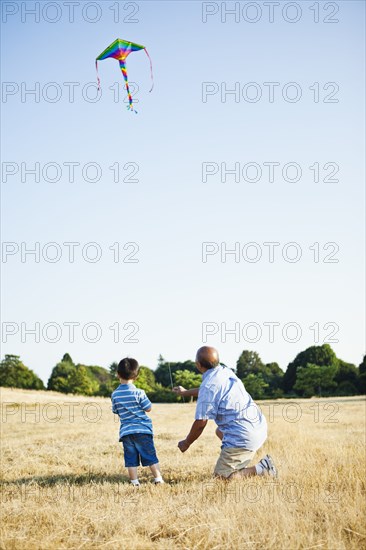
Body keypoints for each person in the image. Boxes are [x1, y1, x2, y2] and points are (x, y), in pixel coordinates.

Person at [175, 346, 277, 479]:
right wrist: (185, 392)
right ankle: (235, 456)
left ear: (198, 365)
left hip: (244, 436)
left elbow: (200, 423)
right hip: (258, 426)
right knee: (219, 431)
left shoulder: (208, 386)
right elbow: (209, 389)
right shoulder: (224, 371)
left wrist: (186, 442)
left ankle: (262, 468)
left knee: (221, 479)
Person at [111, 357, 164, 486]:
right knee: (150, 455)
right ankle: (158, 479)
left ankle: (134, 482)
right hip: (142, 430)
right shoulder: (139, 392)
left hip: (126, 432)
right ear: (136, 376)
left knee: (131, 459)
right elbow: (148, 408)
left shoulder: (115, 394)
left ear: (118, 374)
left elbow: (115, 411)